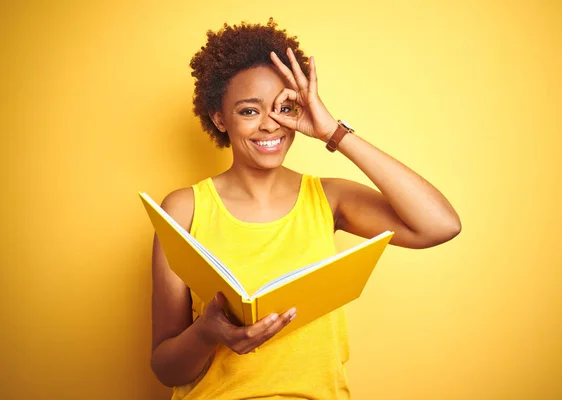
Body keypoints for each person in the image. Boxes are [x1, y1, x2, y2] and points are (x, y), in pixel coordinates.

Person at [149, 18, 461, 399]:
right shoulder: (184, 208)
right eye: (250, 111)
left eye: (284, 107)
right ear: (219, 118)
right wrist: (206, 332)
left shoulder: (329, 199)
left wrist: (333, 131)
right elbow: (165, 368)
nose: (270, 126)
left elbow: (440, 225)